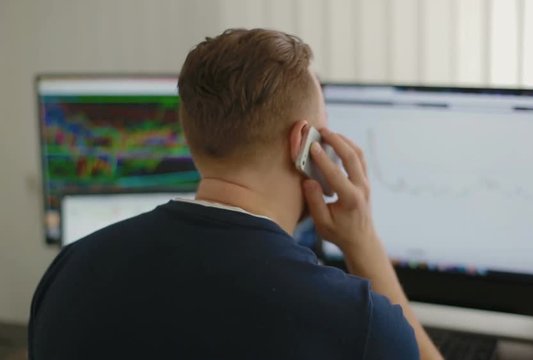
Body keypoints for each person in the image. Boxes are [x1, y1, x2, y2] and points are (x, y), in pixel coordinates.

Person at [28, 28, 443, 360]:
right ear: (303, 145)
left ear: (192, 135)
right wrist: (363, 243)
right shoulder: (357, 322)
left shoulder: (70, 271)